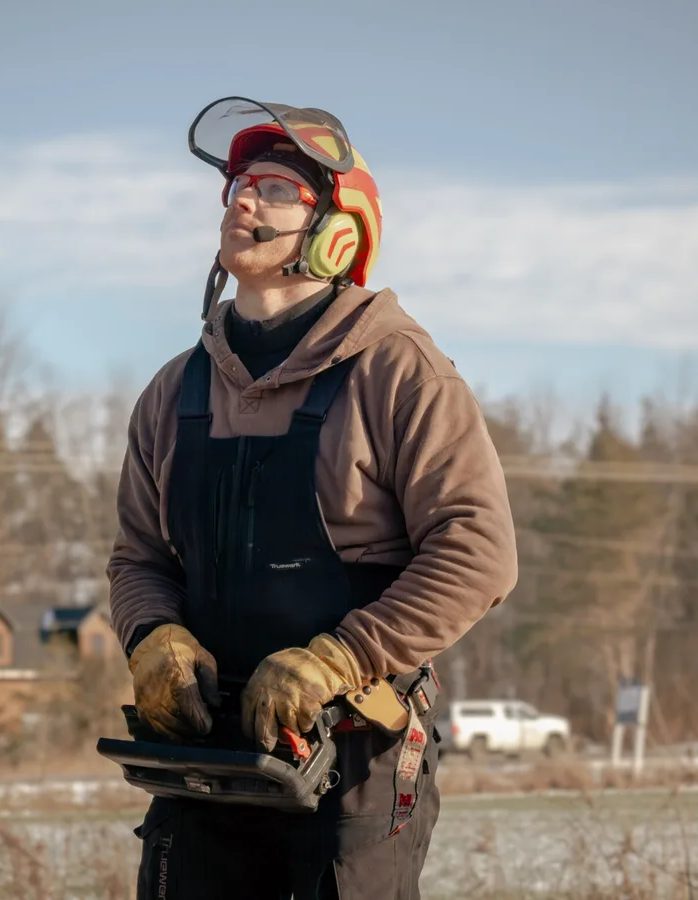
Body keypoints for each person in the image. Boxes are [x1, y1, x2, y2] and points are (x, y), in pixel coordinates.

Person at [107, 97, 519, 899]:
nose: (244, 201)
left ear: (340, 229)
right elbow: (139, 556)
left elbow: (477, 552)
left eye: (276, 189)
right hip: (208, 755)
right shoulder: (174, 391)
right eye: (238, 187)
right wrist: (151, 634)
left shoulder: (398, 373)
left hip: (350, 759)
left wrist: (341, 657)